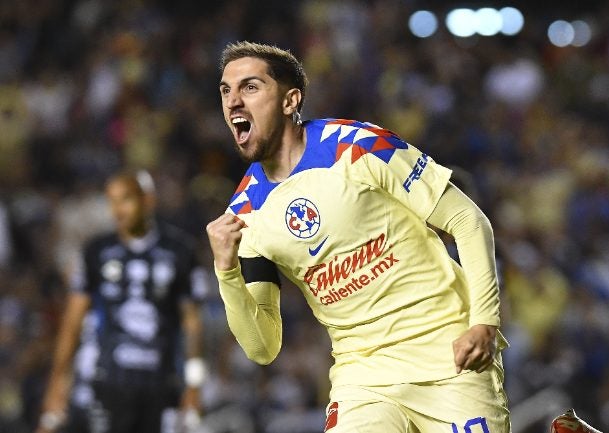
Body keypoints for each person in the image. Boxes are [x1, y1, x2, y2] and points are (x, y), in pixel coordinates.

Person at [206, 41, 510, 433]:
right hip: (363, 378)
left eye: (250, 87)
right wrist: (226, 270)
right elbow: (263, 346)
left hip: (451, 355)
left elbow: (469, 220)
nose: (234, 102)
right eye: (225, 91)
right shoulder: (244, 215)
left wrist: (484, 322)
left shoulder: (359, 146)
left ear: (289, 100)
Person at [37, 170, 209, 433]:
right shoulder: (96, 251)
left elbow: (193, 327)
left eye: (126, 199)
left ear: (148, 200)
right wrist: (57, 384)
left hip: (161, 385)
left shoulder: (180, 251)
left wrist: (194, 385)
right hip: (107, 382)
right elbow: (72, 322)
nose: (118, 210)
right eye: (112, 201)